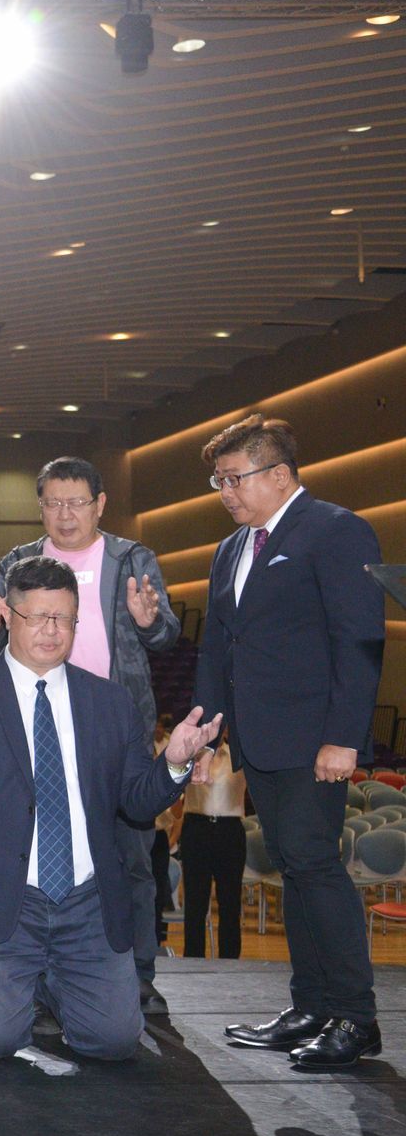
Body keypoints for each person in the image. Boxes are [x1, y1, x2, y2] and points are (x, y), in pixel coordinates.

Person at [0, 556, 217, 1062]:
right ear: (8, 615)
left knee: (114, 1042)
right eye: (38, 616)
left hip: (86, 902)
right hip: (1, 899)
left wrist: (174, 763)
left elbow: (137, 802)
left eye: (64, 618)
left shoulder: (109, 702)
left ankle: (49, 982)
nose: (52, 631)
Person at [192, 414, 386, 1069]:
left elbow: (358, 640)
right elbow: (218, 646)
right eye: (219, 481)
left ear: (278, 474)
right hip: (260, 740)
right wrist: (207, 731)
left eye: (235, 478)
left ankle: (356, 1017)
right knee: (294, 867)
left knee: (313, 864)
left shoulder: (335, 529)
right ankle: (311, 1006)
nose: (225, 492)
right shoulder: (231, 548)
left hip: (313, 739)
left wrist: (344, 737)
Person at [0, 455, 182, 1016]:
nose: (65, 514)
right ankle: (38, 978)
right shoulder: (18, 562)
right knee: (36, 856)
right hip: (36, 733)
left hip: (113, 732)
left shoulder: (131, 558)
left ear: (100, 504)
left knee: (132, 858)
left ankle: (137, 973)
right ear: (40, 507)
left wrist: (148, 620)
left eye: (77, 503)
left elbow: (166, 635)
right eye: (54, 503)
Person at [179, 739, 246, 959]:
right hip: (196, 826)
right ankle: (193, 960)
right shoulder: (191, 753)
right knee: (194, 902)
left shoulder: (239, 754)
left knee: (230, 901)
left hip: (230, 829)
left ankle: (230, 961)